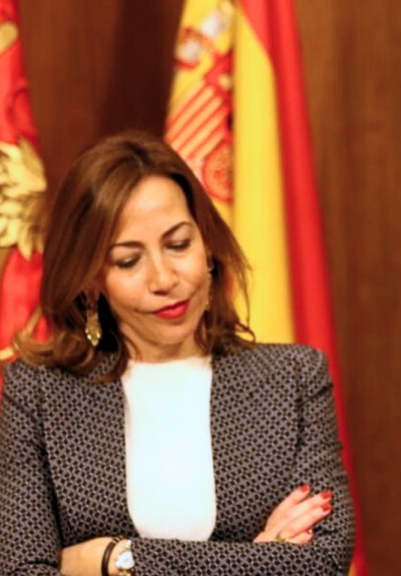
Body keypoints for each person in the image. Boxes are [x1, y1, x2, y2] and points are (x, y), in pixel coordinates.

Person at [0, 132, 355, 575]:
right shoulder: (39, 391)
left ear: (206, 246)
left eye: (178, 244)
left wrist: (114, 560)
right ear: (92, 280)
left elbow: (320, 563)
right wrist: (260, 556)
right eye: (129, 261)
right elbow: (22, 572)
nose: (164, 277)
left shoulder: (294, 377)